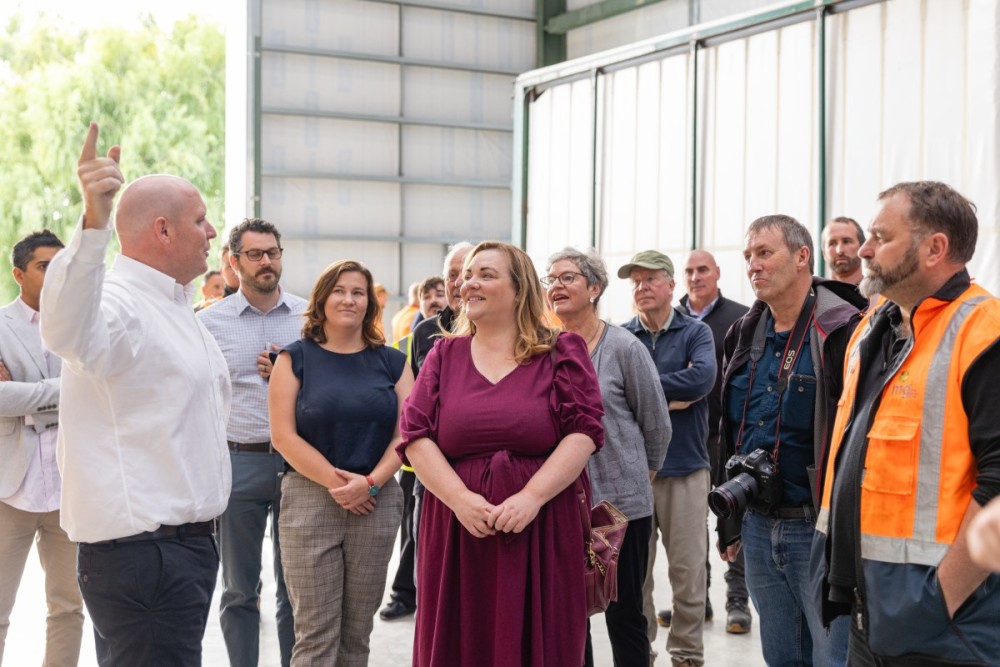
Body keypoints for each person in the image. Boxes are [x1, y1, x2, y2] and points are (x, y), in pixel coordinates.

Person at [39, 122, 232, 665]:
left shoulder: (174, 306)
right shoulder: (121, 303)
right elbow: (67, 331)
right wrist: (93, 222)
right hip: (146, 559)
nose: (213, 232)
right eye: (201, 221)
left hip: (176, 553)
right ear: (163, 231)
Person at [813, 182, 1000, 665]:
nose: (865, 250)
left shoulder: (983, 332)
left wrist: (940, 599)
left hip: (945, 628)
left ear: (935, 248)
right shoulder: (875, 326)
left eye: (880, 236)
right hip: (865, 614)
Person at [398, 241, 605, 666]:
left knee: (541, 644)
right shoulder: (443, 354)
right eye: (466, 275)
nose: (468, 283)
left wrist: (531, 497)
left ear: (519, 289)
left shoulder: (561, 351)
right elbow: (415, 436)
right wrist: (460, 500)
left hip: (542, 527)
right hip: (458, 531)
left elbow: (583, 432)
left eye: (485, 275)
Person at [717, 215, 864, 667]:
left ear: (803, 257)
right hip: (758, 527)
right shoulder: (743, 333)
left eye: (765, 253)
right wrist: (731, 522)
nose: (754, 266)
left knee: (833, 659)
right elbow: (729, 430)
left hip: (819, 530)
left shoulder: (843, 330)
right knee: (781, 659)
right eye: (748, 257)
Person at [268, 259, 412, 665]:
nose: (349, 299)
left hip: (377, 500)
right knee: (315, 634)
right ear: (323, 298)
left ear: (370, 303)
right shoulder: (293, 359)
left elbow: (407, 434)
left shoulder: (393, 362)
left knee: (357, 634)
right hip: (310, 499)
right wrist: (341, 485)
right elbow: (283, 436)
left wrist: (370, 484)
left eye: (358, 292)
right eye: (339, 290)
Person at [544, 247, 671, 667]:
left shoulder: (624, 348)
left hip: (621, 509)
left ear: (594, 288)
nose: (556, 287)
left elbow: (656, 424)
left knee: (625, 614)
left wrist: (637, 478)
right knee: (569, 615)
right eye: (551, 279)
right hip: (562, 504)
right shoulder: (543, 350)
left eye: (567, 278)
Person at [198, 218, 306, 667]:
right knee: (240, 588)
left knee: (296, 589)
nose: (266, 261)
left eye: (273, 252)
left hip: (301, 465)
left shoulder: (309, 317)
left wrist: (293, 372)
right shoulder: (208, 323)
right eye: (255, 254)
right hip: (239, 462)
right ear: (232, 262)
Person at [619, 250, 716, 667]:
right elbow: (612, 397)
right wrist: (670, 397)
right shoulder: (621, 338)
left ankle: (687, 654)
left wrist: (641, 392)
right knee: (636, 576)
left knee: (688, 571)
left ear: (671, 285)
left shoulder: (697, 333)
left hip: (686, 468)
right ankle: (643, 651)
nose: (641, 288)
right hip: (634, 471)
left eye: (650, 279)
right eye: (635, 282)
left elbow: (704, 379)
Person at [378, 242, 475, 624]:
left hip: (481, 472)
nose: (456, 282)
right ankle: (408, 596)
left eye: (466, 273)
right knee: (425, 558)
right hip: (428, 470)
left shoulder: (506, 330)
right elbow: (413, 403)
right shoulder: (425, 333)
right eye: (451, 274)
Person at [0, 230, 84, 666]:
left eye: (61, 267)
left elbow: (98, 393)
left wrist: (26, 396)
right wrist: (66, 392)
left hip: (69, 491)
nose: (55, 276)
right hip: (10, 490)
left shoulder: (82, 328)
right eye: (44, 267)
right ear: (19, 274)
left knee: (68, 608)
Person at [676, 249, 752, 635]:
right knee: (692, 525)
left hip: (728, 434)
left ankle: (737, 601)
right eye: (689, 270)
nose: (695, 277)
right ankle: (698, 598)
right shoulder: (673, 321)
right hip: (686, 437)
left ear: (718, 273)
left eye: (702, 269)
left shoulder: (740, 315)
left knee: (731, 515)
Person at [380, 273, 448, 622]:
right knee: (411, 529)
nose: (436, 299)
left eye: (441, 293)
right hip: (411, 455)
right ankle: (403, 593)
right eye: (430, 294)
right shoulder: (407, 341)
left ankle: (416, 594)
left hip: (443, 453)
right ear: (418, 301)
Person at [821, 217, 865, 285]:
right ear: (824, 253)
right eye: (832, 243)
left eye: (846, 241)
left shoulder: (877, 294)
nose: (839, 250)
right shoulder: (815, 294)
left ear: (862, 248)